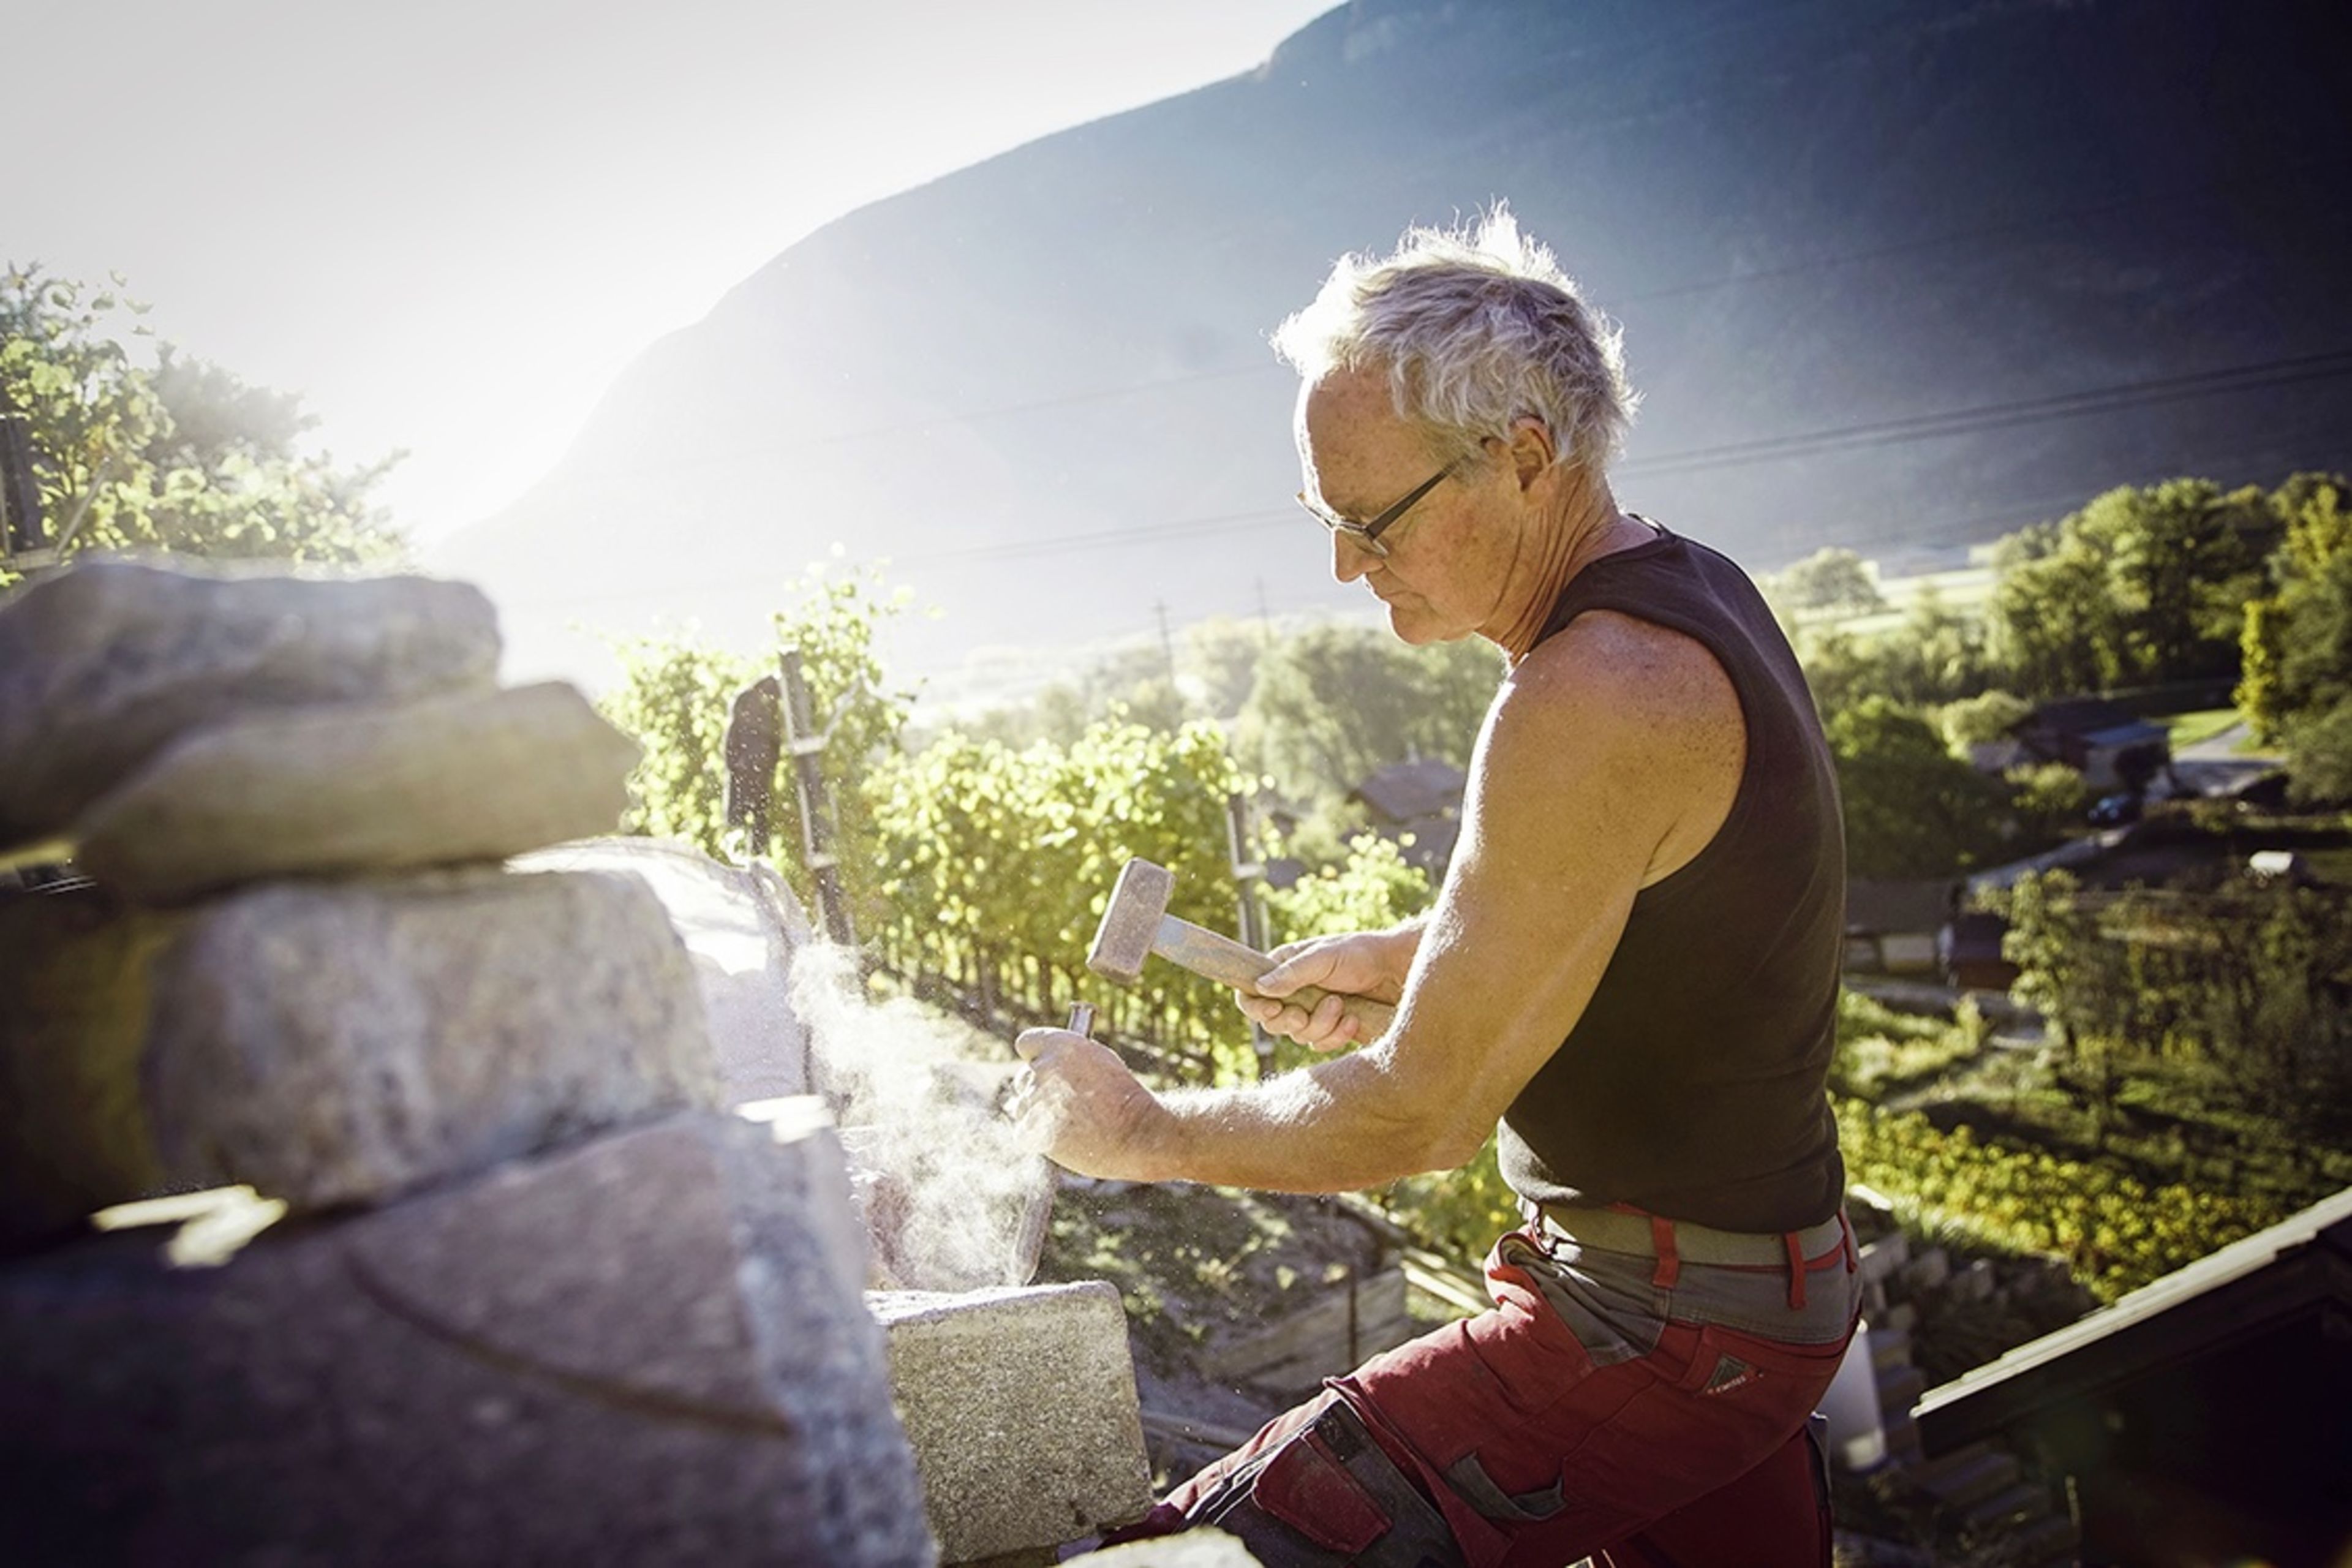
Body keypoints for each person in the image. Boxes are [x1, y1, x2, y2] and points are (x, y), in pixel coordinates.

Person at [1011, 207, 1858, 1567]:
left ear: (1522, 455)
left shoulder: (1593, 693)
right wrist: (1421, 957)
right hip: (1747, 1302)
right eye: (1325, 518)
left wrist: (1144, 1130)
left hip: (1658, 1325)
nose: (1345, 564)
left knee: (1187, 1558)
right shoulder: (1689, 590)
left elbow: (1423, 1113)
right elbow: (1679, 915)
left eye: (1372, 520)